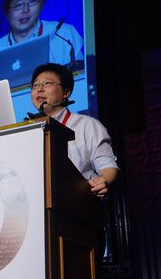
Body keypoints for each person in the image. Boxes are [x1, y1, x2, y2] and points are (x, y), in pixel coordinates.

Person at [30, 63, 118, 198]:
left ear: (66, 92)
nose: (39, 89)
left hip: (78, 204)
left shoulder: (87, 125)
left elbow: (107, 166)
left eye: (47, 83)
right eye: (35, 85)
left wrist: (102, 180)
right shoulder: (27, 131)